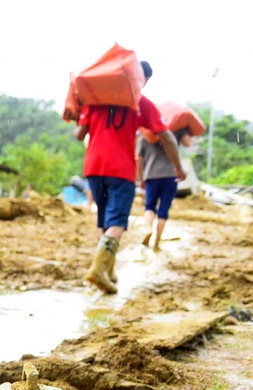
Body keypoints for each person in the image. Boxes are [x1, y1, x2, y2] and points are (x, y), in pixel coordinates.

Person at [75, 60, 185, 294]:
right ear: (142, 80)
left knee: (103, 221)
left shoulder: (97, 100)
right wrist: (178, 167)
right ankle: (98, 269)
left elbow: (79, 134)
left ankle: (109, 271)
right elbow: (166, 136)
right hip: (120, 170)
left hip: (93, 167)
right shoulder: (141, 103)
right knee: (117, 223)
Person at [138, 127, 193, 250]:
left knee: (149, 206)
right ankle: (156, 242)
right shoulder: (177, 128)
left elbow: (139, 158)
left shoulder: (146, 132)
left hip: (151, 175)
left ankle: (148, 229)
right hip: (170, 175)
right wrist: (189, 131)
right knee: (164, 209)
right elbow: (188, 143)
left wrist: (141, 178)